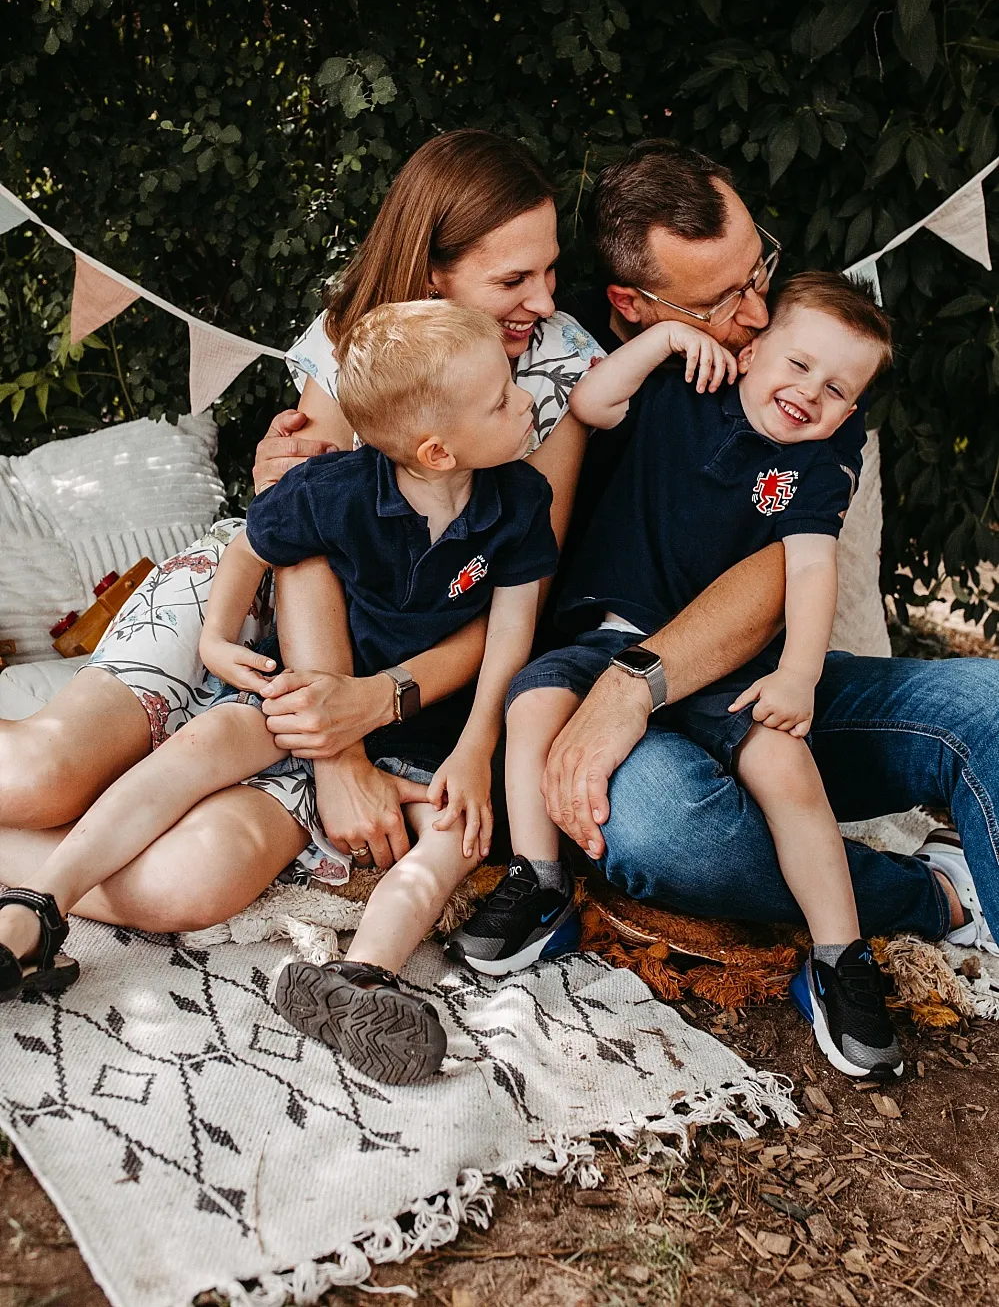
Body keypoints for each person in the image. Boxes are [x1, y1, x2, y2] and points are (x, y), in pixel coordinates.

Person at [0, 130, 609, 933]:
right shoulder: (352, 336)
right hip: (254, 594)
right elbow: (299, 543)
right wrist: (337, 758)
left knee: (186, 884)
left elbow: (510, 594)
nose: (542, 299)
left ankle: (51, 874)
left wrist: (370, 706)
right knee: (37, 778)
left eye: (550, 269)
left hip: (399, 652)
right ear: (434, 273)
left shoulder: (558, 363)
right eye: (512, 278)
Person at [0, 301, 557, 1086]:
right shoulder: (335, 488)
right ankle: (39, 911)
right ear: (435, 449)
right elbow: (252, 547)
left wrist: (475, 751)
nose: (527, 401)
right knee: (214, 739)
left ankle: (362, 978)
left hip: (426, 729)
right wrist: (217, 638)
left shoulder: (519, 502)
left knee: (452, 833)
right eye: (503, 397)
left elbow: (509, 636)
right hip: (302, 689)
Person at [539, 139, 998, 980]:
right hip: (600, 696)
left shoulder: (808, 357)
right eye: (723, 300)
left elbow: (790, 567)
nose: (755, 314)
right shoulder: (564, 366)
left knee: (991, 704)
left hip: (754, 683)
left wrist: (638, 680)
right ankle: (922, 897)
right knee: (666, 834)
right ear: (633, 306)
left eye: (759, 271)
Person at [449, 271, 905, 1080]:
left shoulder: (810, 462)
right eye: (797, 365)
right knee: (533, 709)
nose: (809, 394)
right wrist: (662, 339)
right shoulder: (683, 388)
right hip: (607, 635)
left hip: (729, 663)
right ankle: (539, 880)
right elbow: (590, 405)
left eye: (836, 389)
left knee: (782, 762)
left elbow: (807, 570)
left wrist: (798, 673)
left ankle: (839, 957)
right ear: (751, 346)